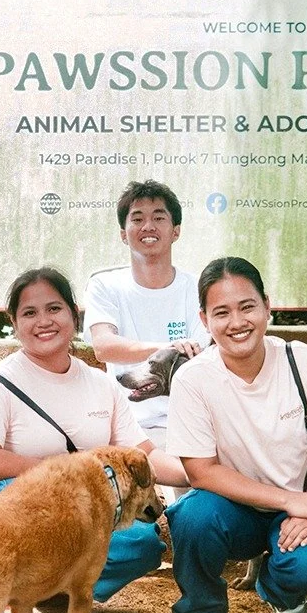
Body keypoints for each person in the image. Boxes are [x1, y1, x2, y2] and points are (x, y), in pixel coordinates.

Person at [0, 266, 188, 613]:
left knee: (141, 544)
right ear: (14, 322)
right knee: (10, 498)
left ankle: (47, 588)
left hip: (77, 521)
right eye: (29, 313)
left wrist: (200, 474)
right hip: (13, 514)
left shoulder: (100, 384)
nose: (44, 321)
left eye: (54, 308)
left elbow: (143, 457)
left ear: (73, 315)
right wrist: (73, 473)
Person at [163, 257, 307, 613]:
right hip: (236, 511)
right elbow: (200, 472)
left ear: (267, 306)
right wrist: (289, 500)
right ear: (204, 319)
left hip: (303, 510)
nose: (237, 322)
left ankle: (279, 590)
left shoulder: (300, 360)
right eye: (222, 312)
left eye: (247, 307)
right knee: (192, 517)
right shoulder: (193, 379)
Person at [82, 180, 209, 438]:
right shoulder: (104, 285)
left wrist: (173, 352)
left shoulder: (199, 287)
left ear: (176, 231)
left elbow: (195, 358)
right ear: (123, 233)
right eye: (137, 219)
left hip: (188, 423)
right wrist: (168, 348)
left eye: (159, 218)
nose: (148, 226)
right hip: (125, 426)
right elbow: (104, 347)